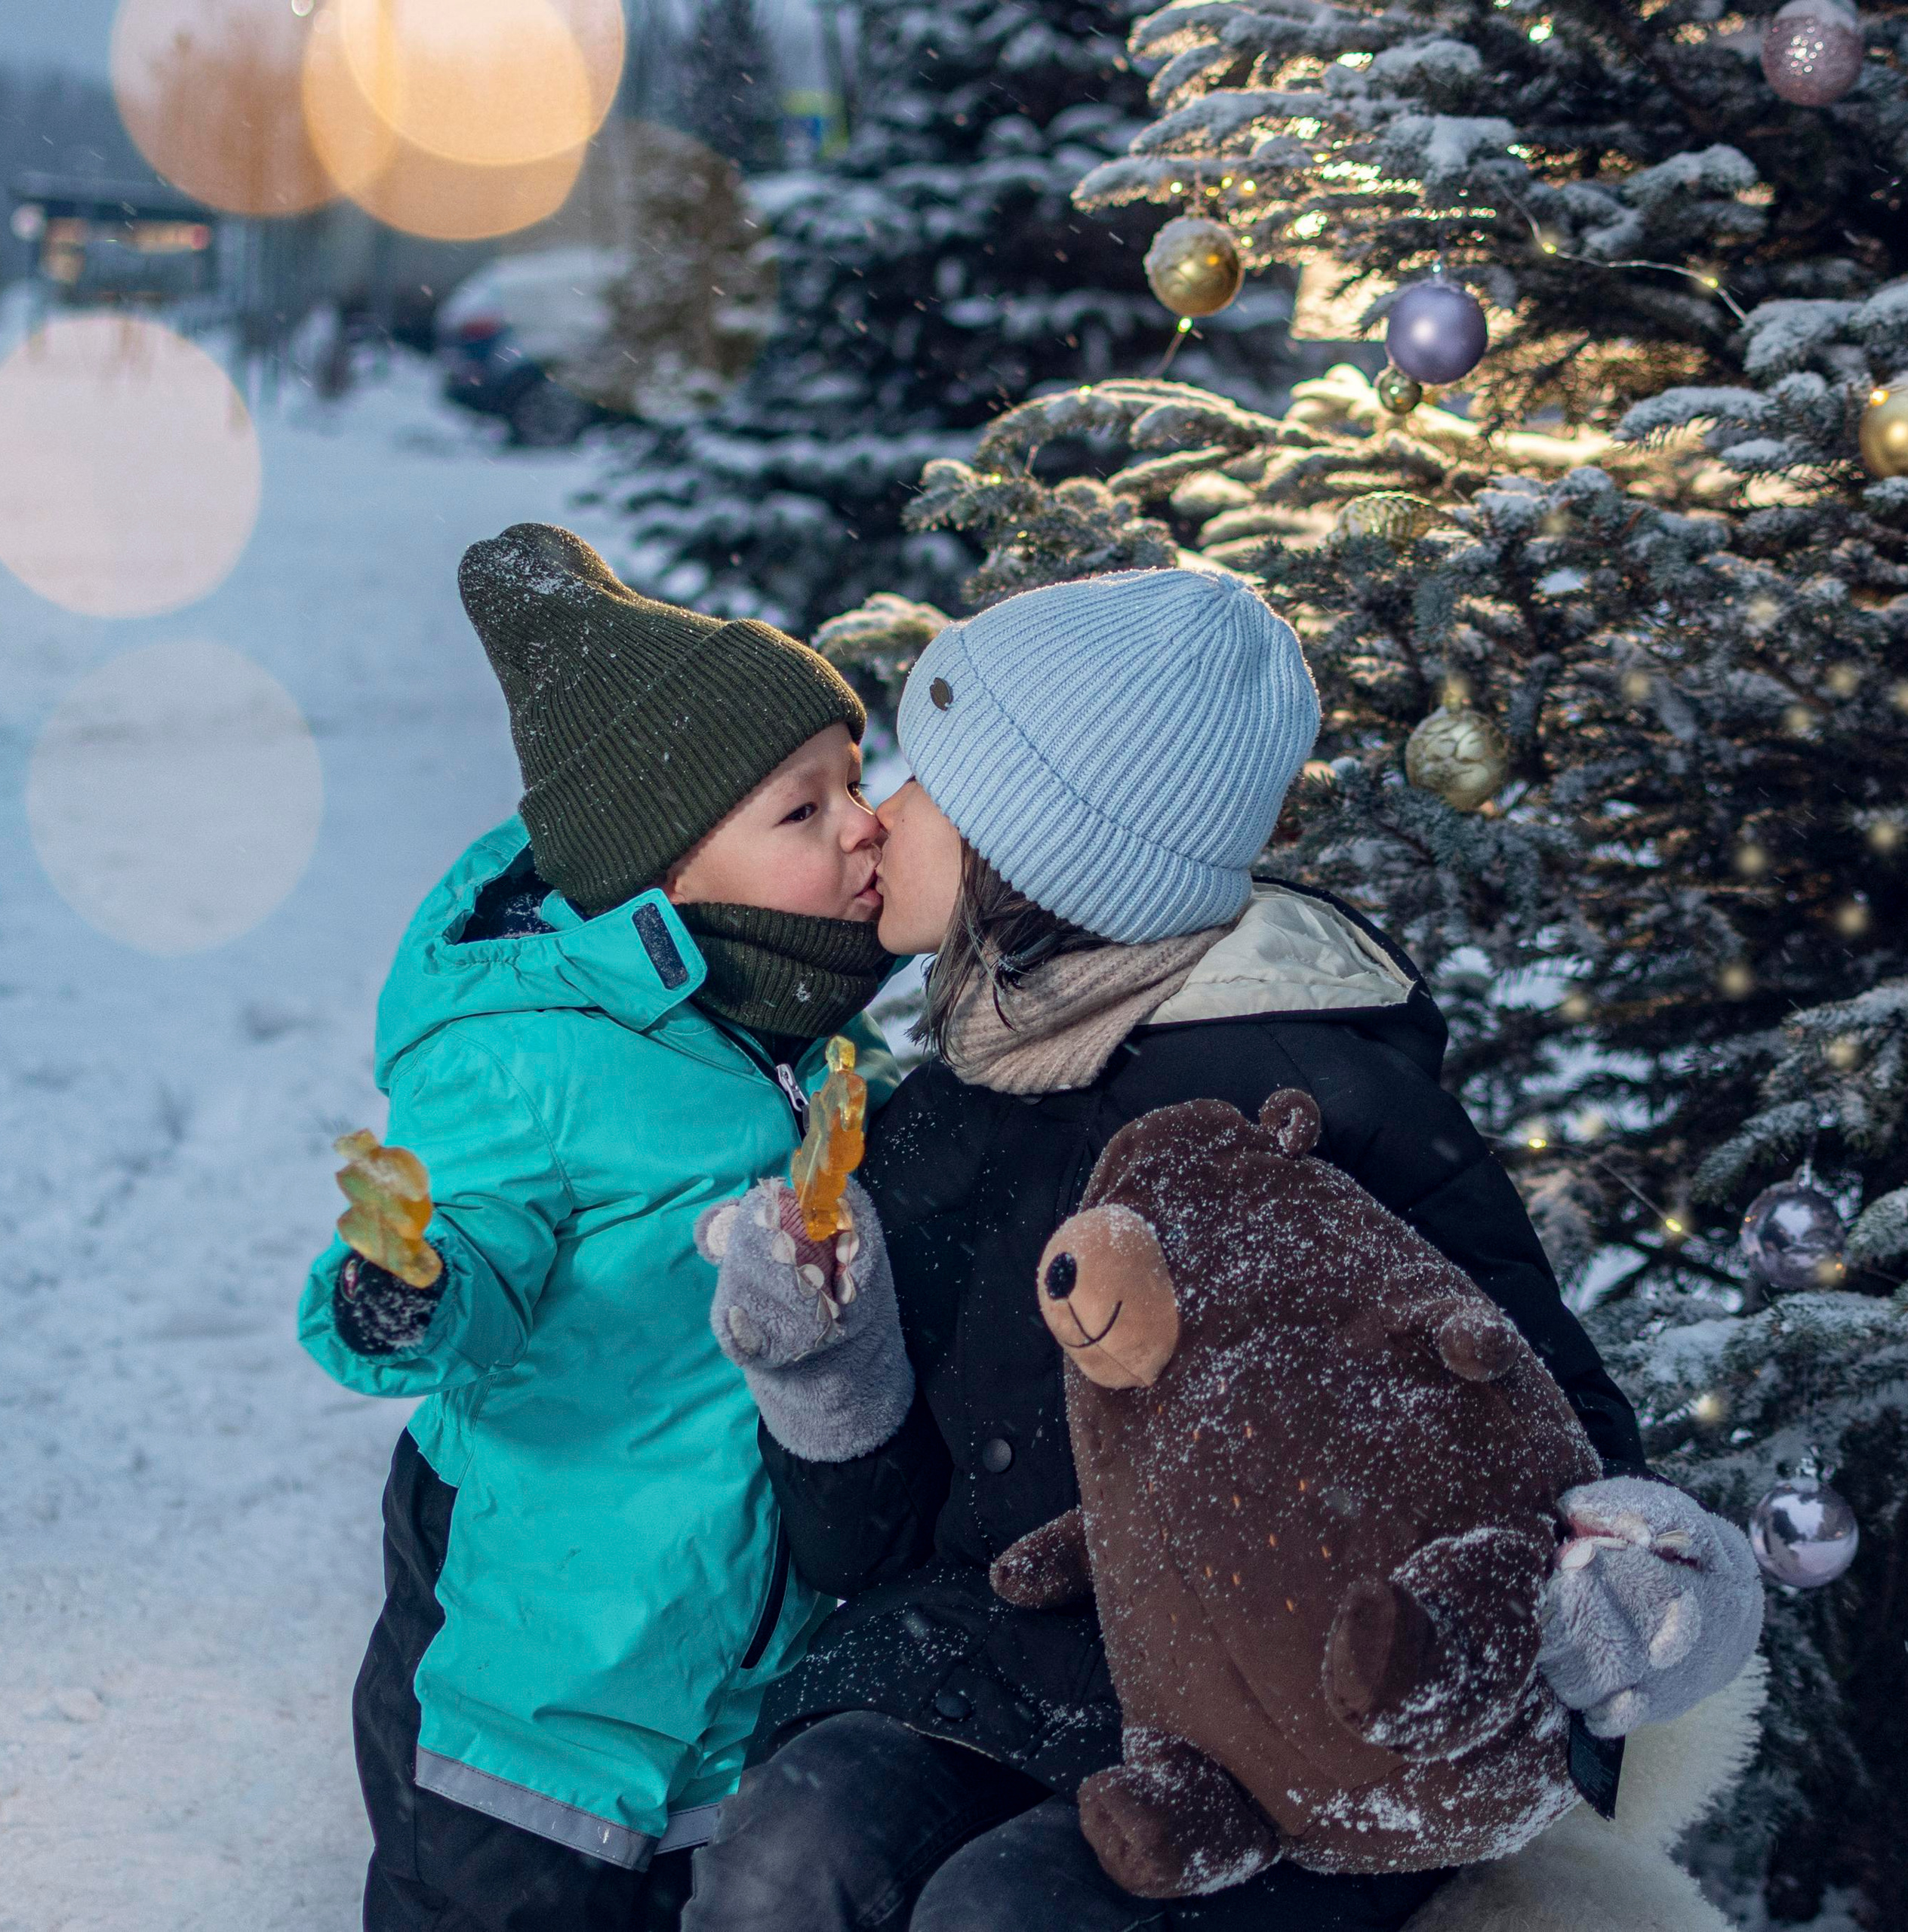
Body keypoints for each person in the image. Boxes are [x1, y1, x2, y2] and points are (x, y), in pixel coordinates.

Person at [688, 568, 1763, 1932]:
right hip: (1012, 1656)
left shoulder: (1309, 1080)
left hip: (1290, 1713)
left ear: (1038, 848)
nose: (879, 823)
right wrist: (825, 1369)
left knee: (1004, 1914)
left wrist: (1624, 1573)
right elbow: (871, 1550)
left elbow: (1534, 1404)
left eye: (924, 788)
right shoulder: (942, 1110)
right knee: (791, 1851)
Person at [296, 524, 899, 1932]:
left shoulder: (785, 1028)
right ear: (667, 875)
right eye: (802, 810)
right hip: (543, 1662)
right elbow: (482, 1234)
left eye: (853, 786)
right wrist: (411, 1287)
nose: (863, 822)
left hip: (719, 1653)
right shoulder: (528, 1051)